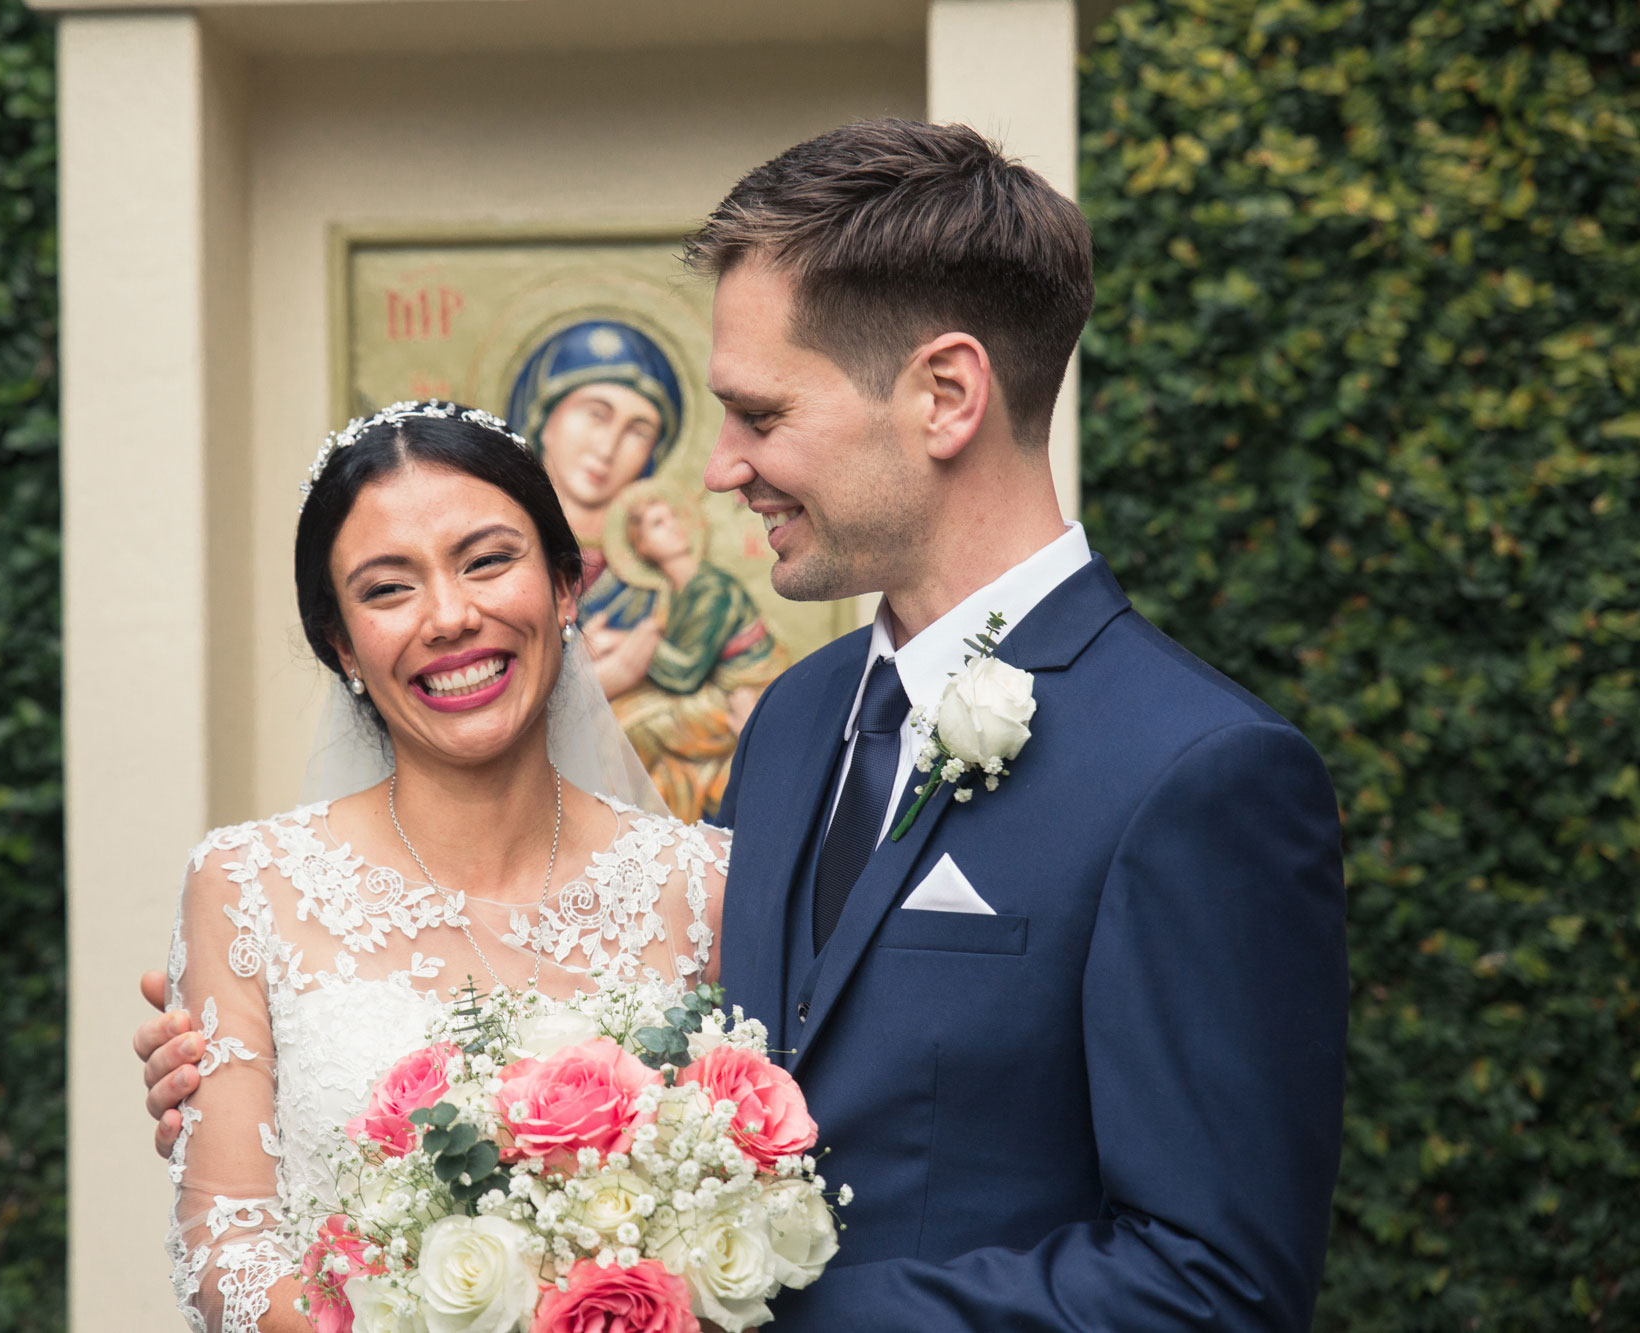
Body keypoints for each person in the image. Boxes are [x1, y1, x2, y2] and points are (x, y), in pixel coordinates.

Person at [140, 120, 1349, 1331]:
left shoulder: (1196, 773)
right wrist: (263, 1094)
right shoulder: (796, 724)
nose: (718, 469)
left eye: (757, 415)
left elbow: (1217, 1286)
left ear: (944, 395)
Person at [156, 401, 726, 1331]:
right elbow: (225, 1248)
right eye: (388, 589)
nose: (453, 617)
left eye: (489, 560)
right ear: (341, 643)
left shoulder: (705, 886)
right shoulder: (246, 885)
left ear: (566, 586)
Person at [505, 318, 683, 701]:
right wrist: (604, 679)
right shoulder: (489, 565)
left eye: (638, 431)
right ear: (543, 418)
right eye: (596, 414)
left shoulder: (667, 581)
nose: (607, 448)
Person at [605, 484, 783, 820]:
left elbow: (684, 672)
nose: (672, 525)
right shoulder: (675, 591)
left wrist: (622, 642)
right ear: (640, 546)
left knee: (632, 727)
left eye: (672, 517)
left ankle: (626, 826)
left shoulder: (712, 589)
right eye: (658, 523)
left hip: (740, 690)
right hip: (714, 687)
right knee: (620, 712)